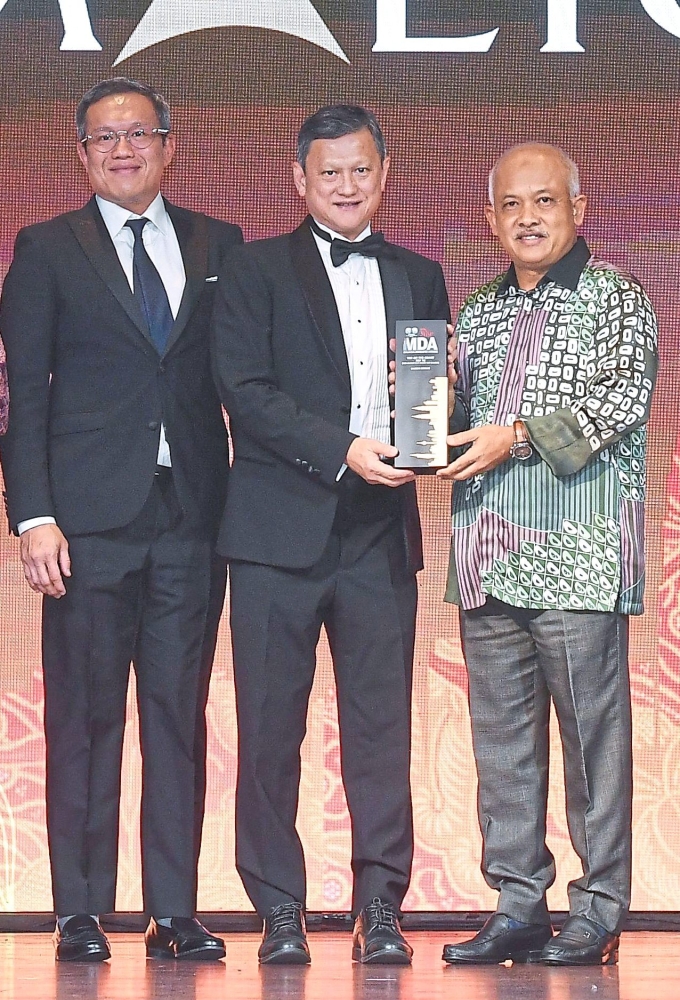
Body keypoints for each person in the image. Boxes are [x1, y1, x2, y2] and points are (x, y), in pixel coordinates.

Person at [0, 77, 243, 962]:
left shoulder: (220, 243)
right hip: (88, 523)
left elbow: (246, 378)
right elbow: (24, 398)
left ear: (170, 145)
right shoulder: (45, 248)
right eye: (104, 138)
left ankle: (173, 910)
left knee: (178, 717)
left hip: (192, 518)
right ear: (81, 154)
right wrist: (34, 516)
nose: (123, 149)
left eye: (140, 134)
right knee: (86, 719)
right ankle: (79, 909)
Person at [211, 104, 450, 965]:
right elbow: (244, 388)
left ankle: (380, 906)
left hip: (379, 531)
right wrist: (342, 449)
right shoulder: (253, 269)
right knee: (272, 729)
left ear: (383, 174)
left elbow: (428, 394)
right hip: (276, 531)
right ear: (299, 180)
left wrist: (436, 410)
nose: (346, 186)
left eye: (360, 170)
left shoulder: (420, 272)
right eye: (329, 172)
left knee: (380, 727)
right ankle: (279, 906)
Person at [438, 143, 658, 966]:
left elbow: (621, 400)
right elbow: (454, 414)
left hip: (580, 557)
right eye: (511, 206)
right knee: (502, 746)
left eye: (545, 202)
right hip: (488, 557)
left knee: (591, 745)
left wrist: (518, 435)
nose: (528, 219)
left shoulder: (617, 299)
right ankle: (518, 902)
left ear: (579, 207)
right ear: (491, 219)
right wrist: (414, 394)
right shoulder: (482, 308)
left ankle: (599, 907)